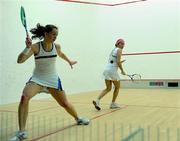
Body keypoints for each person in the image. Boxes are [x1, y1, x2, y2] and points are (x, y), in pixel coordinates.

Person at [10, 23, 90, 141]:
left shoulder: (56, 46)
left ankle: (78, 119)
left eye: (56, 35)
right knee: (24, 97)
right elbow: (20, 61)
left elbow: (61, 54)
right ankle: (22, 132)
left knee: (65, 104)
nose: (55, 37)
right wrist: (27, 47)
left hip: (52, 80)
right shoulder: (35, 47)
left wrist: (69, 61)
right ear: (46, 34)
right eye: (53, 34)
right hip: (38, 79)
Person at [92, 38, 126, 111]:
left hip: (107, 70)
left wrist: (119, 62)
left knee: (108, 88)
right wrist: (122, 70)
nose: (123, 45)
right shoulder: (119, 50)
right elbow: (118, 62)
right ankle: (113, 103)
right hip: (112, 71)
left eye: (123, 44)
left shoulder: (113, 50)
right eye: (121, 43)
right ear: (117, 44)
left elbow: (113, 61)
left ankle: (97, 100)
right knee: (117, 87)